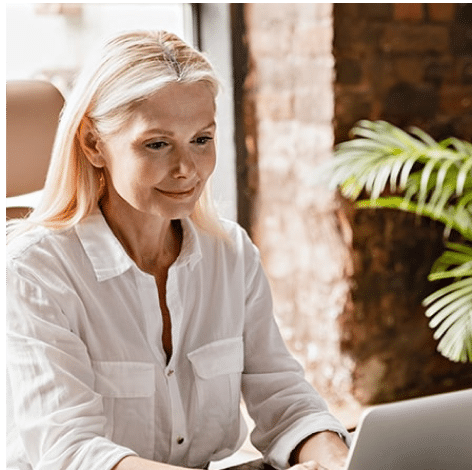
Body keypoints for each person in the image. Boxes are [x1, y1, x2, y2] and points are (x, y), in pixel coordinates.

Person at [6, 31, 351, 470]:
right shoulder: (34, 270)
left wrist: (334, 457)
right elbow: (72, 452)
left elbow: (283, 396)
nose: (187, 169)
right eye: (157, 144)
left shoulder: (230, 253)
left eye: (201, 140)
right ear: (94, 145)